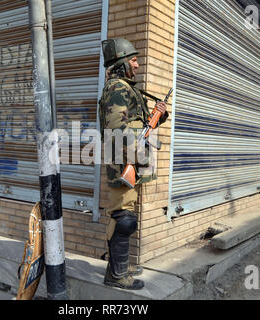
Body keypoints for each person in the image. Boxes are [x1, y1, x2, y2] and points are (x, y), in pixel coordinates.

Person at [99, 38, 168, 290]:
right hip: (124, 162)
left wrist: (158, 116)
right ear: (121, 62)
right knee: (123, 218)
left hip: (133, 161)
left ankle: (120, 265)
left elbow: (138, 124)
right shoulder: (117, 88)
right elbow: (117, 129)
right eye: (134, 60)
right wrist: (136, 154)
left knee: (126, 215)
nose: (138, 64)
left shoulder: (127, 88)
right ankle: (116, 275)